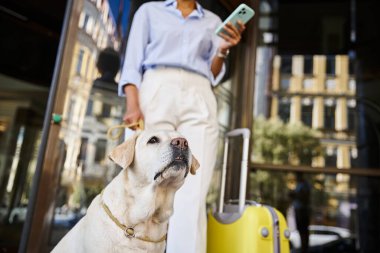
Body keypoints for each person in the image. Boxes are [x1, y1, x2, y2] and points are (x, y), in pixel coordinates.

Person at [118, 1, 246, 252]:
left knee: (193, 190)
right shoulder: (149, 11)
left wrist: (223, 50)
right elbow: (131, 65)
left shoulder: (212, 20)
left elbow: (212, 72)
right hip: (156, 85)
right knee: (143, 181)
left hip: (200, 91)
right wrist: (132, 105)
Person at [289, 172, 311, 253]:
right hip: (299, 210)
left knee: (303, 231)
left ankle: (304, 249)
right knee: (301, 230)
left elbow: (304, 197)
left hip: (302, 210)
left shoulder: (304, 185)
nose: (296, 178)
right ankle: (303, 248)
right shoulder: (299, 185)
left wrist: (295, 194)